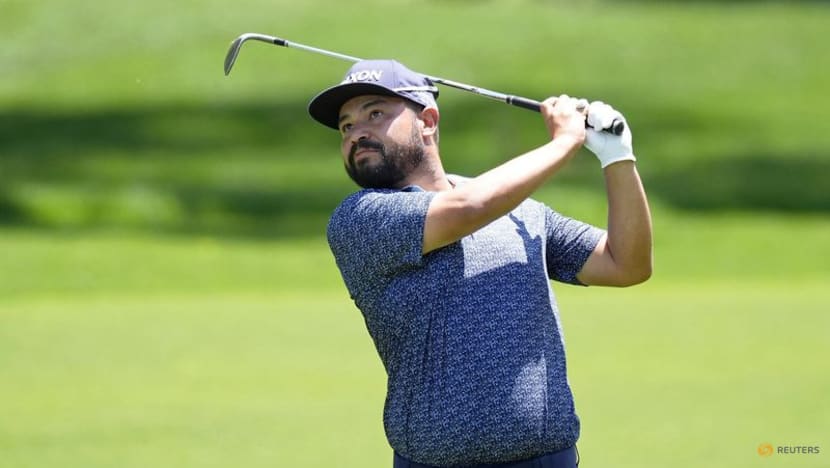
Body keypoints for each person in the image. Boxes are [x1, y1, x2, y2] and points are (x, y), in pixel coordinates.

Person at [307, 59, 652, 468]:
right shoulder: (360, 218)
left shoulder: (518, 210)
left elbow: (625, 264)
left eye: (375, 114)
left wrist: (617, 157)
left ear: (427, 121)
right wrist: (564, 143)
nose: (357, 133)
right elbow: (467, 209)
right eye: (346, 126)